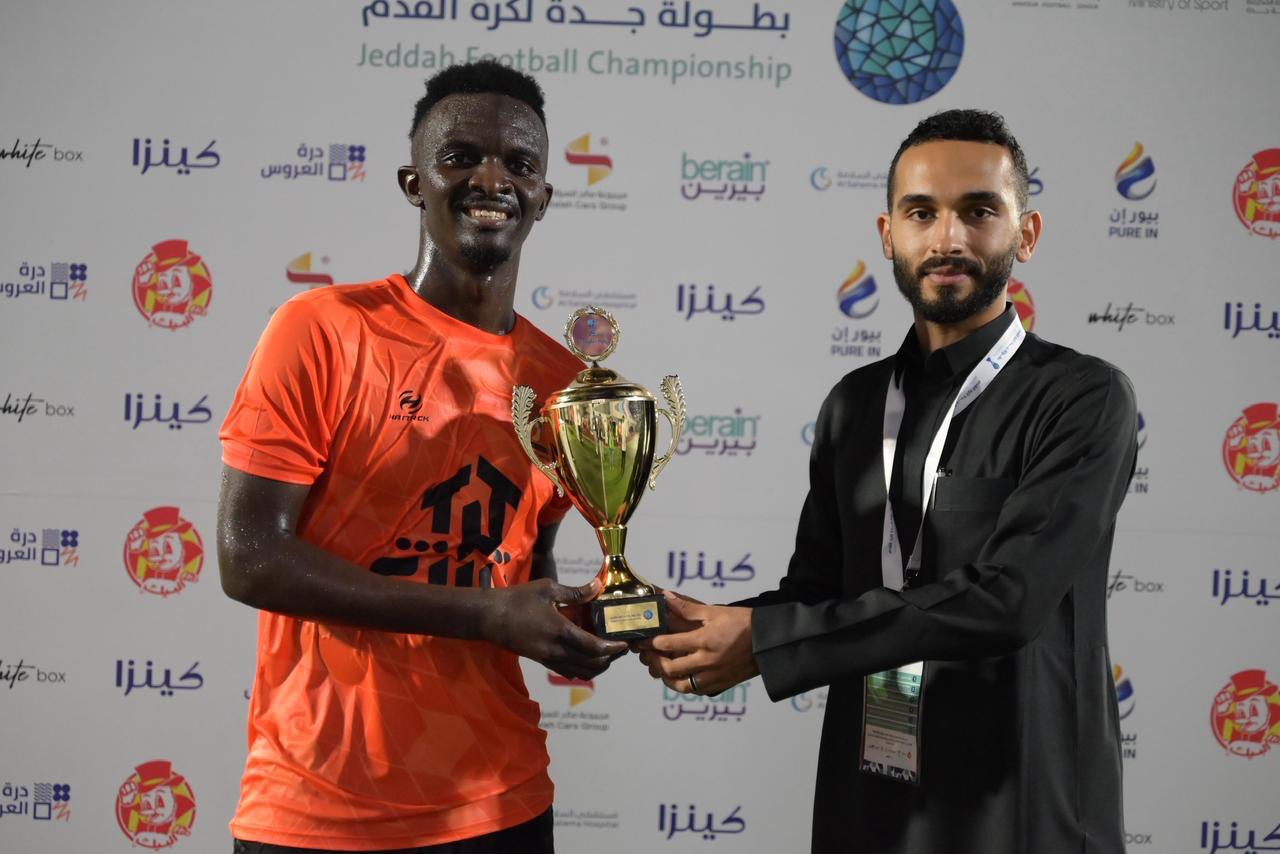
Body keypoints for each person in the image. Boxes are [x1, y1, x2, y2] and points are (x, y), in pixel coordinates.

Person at [639, 110, 1138, 854]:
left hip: (1023, 807)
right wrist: (692, 623)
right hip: (869, 799)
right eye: (922, 213)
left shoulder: (1082, 397)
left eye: (979, 211)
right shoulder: (856, 402)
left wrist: (767, 642)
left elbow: (1008, 600)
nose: (948, 239)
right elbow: (818, 592)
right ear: (888, 234)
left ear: (1026, 234)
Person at [217, 61, 628, 854]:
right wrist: (484, 615)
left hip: (498, 801)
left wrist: (577, 624)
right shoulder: (323, 329)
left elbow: (522, 566)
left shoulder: (562, 386)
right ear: (414, 183)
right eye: (461, 158)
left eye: (519, 164)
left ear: (544, 196)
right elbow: (250, 557)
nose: (492, 180)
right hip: (316, 806)